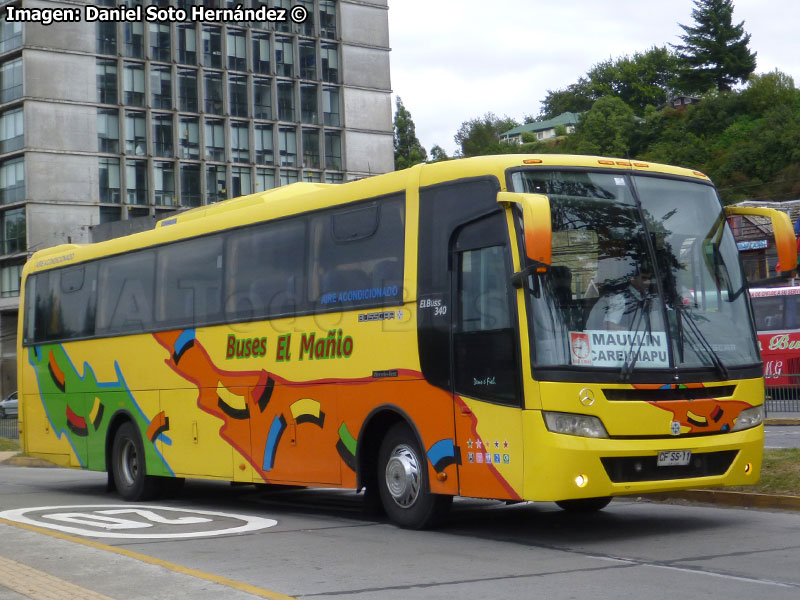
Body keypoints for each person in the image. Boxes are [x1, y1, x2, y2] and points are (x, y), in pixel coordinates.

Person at [586, 266, 662, 331]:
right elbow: (609, 325)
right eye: (644, 278)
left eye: (649, 279)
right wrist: (628, 331)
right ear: (633, 279)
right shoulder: (621, 298)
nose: (647, 282)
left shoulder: (650, 298)